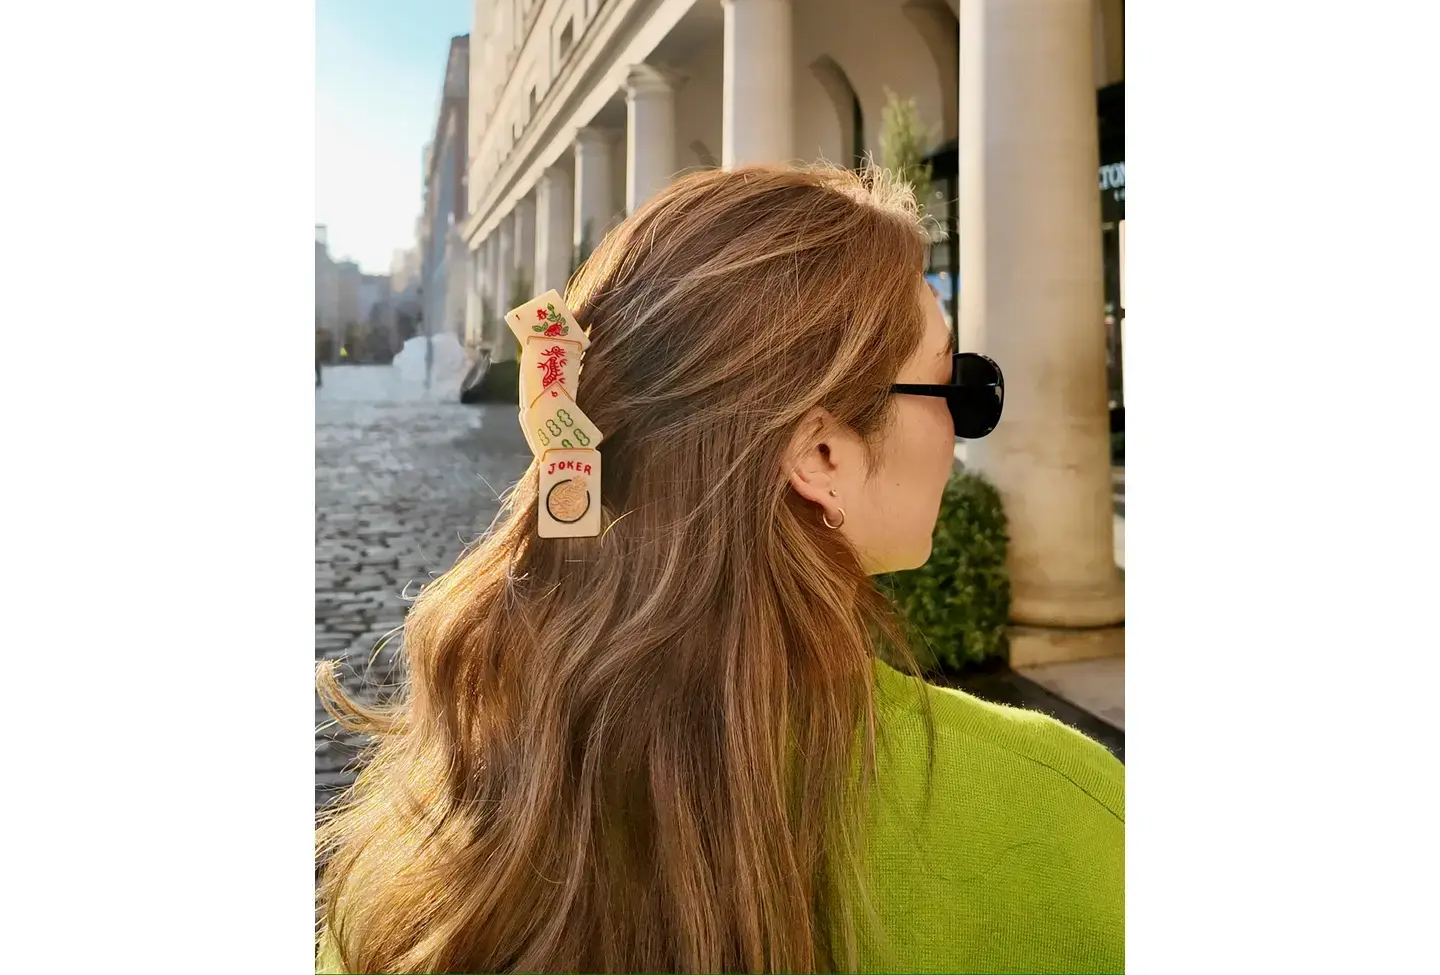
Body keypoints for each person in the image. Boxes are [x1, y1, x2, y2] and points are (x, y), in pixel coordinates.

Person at [315, 165, 1122, 974]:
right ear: (821, 454)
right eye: (954, 385)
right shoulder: (1057, 809)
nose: (963, 425)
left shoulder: (419, 835)